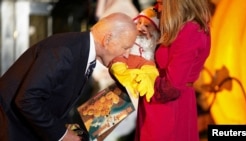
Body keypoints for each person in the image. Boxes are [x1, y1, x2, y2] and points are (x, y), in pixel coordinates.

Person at [0, 12, 137, 141]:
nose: (126, 55)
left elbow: (57, 102)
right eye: (125, 48)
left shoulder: (81, 49)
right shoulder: (65, 51)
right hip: (12, 130)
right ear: (107, 39)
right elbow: (27, 100)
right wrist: (62, 135)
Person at [134, 0, 212, 141]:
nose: (157, 7)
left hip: (168, 109)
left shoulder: (190, 30)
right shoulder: (180, 27)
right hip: (158, 105)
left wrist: (138, 67)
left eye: (161, 2)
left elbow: (171, 88)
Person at [109, 6, 160, 105]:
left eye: (147, 26)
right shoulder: (133, 34)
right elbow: (124, 46)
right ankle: (125, 74)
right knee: (118, 63)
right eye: (139, 23)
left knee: (150, 70)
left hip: (143, 65)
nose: (141, 27)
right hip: (128, 59)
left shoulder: (154, 40)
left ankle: (144, 78)